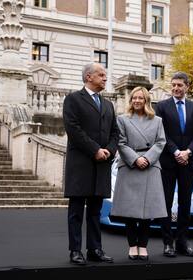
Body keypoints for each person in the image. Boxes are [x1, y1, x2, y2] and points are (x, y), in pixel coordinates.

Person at [63, 63, 119, 265]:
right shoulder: (73, 99)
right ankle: (75, 251)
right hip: (81, 164)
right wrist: (95, 149)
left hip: (102, 164)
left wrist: (110, 150)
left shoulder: (108, 104)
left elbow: (115, 132)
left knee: (96, 212)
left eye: (105, 75)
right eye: (101, 75)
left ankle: (95, 249)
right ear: (88, 77)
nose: (105, 78)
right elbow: (73, 130)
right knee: (76, 211)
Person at [111, 86, 167, 261]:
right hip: (130, 166)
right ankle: (132, 245)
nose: (137, 101)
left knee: (147, 211)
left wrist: (148, 159)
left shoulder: (157, 120)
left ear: (146, 101)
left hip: (150, 166)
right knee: (130, 210)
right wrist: (135, 159)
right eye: (134, 98)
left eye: (140, 98)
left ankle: (143, 245)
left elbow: (160, 142)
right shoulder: (122, 119)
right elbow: (120, 142)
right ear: (130, 100)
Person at [155, 72, 193, 258]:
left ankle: (183, 243)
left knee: (186, 203)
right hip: (168, 161)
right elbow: (161, 133)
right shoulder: (161, 107)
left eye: (180, 85)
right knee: (166, 203)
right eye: (173, 85)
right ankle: (168, 244)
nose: (176, 88)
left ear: (187, 87)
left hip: (188, 162)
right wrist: (176, 152)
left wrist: (188, 152)